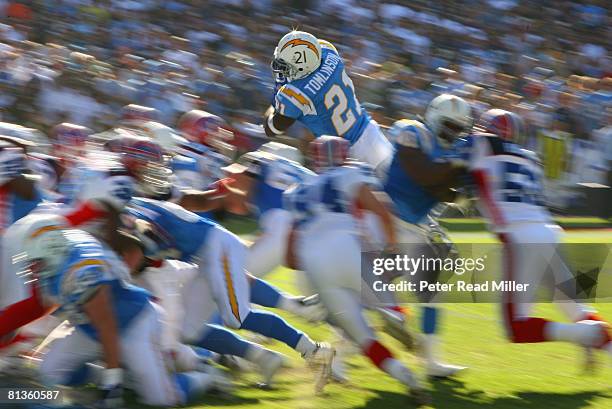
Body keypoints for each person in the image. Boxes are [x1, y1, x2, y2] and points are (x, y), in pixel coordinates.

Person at [126, 197, 335, 393]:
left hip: (214, 247)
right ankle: (267, 355)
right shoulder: (135, 204)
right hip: (202, 256)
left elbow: (150, 238)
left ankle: (313, 349)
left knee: (236, 316)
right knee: (187, 330)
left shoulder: (130, 215)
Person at [454, 109, 611, 358]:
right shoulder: (529, 159)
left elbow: (464, 182)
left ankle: (583, 334)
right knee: (571, 304)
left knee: (515, 326)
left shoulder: (480, 146)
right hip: (548, 232)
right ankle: (602, 341)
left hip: (520, 237)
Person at [283, 135, 429, 405]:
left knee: (364, 339)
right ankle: (392, 316)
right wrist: (392, 250)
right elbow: (383, 212)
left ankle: (408, 379)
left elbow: (289, 258)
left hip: (315, 264)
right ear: (343, 155)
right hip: (346, 245)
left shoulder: (296, 191)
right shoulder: (349, 173)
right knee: (388, 304)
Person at [381, 94, 472, 377]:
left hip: (416, 227)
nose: (453, 133)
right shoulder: (412, 131)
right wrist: (454, 172)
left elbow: (447, 194)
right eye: (449, 126)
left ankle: (431, 362)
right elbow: (424, 175)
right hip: (385, 221)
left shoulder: (455, 150)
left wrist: (449, 182)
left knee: (431, 296)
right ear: (433, 116)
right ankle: (338, 356)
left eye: (459, 129)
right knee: (370, 294)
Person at [263, 31, 393, 174]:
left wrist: (275, 100)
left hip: (346, 157)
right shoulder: (327, 51)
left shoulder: (294, 93)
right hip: (370, 132)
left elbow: (271, 129)